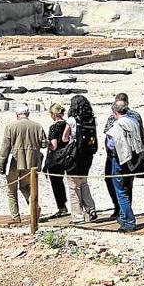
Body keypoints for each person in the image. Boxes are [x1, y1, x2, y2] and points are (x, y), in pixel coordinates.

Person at [0, 106, 46, 222]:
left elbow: (5, 148)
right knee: (26, 187)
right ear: (28, 114)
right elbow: (44, 144)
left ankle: (16, 217)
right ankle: (34, 208)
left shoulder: (10, 126)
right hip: (32, 163)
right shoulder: (37, 126)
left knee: (11, 190)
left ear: (17, 115)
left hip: (15, 162)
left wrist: (1, 166)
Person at [102, 92, 144, 220]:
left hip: (119, 155)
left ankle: (123, 212)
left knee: (121, 185)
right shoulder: (134, 117)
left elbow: (110, 136)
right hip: (132, 155)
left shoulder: (120, 118)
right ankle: (123, 210)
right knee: (125, 183)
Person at [62, 95, 99, 224]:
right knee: (83, 183)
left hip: (75, 156)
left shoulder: (72, 120)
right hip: (88, 155)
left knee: (73, 187)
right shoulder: (91, 119)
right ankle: (91, 209)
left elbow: (64, 138)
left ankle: (78, 217)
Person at [43, 104, 70, 219]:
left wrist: (45, 143)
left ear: (53, 114)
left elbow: (53, 146)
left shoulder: (54, 127)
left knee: (57, 183)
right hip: (68, 156)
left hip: (56, 158)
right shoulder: (68, 124)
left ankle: (62, 207)